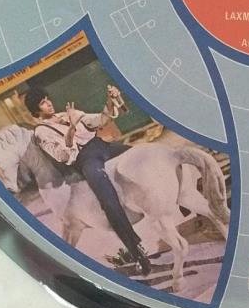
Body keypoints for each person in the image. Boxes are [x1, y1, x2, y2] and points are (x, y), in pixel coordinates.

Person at [23, 85, 152, 274]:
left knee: (143, 154)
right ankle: (135, 250)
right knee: (108, 200)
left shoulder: (68, 113)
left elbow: (100, 119)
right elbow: (62, 156)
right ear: (36, 110)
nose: (48, 103)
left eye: (47, 99)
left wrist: (110, 100)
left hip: (102, 146)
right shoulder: (41, 132)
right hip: (85, 160)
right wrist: (71, 128)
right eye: (43, 103)